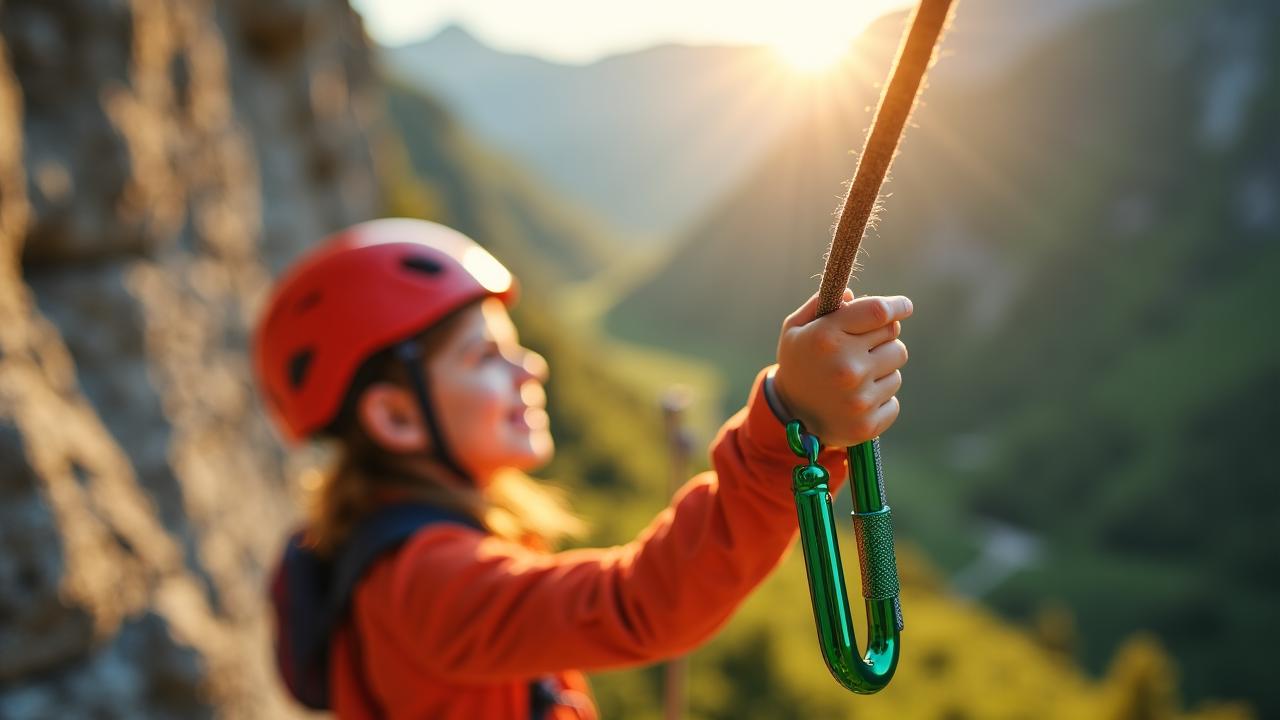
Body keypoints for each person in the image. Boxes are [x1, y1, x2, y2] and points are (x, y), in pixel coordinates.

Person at [253, 218, 913, 719]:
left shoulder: (429, 552)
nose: (531, 368)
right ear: (395, 417)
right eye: (486, 357)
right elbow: (636, 603)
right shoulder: (425, 584)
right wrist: (781, 426)